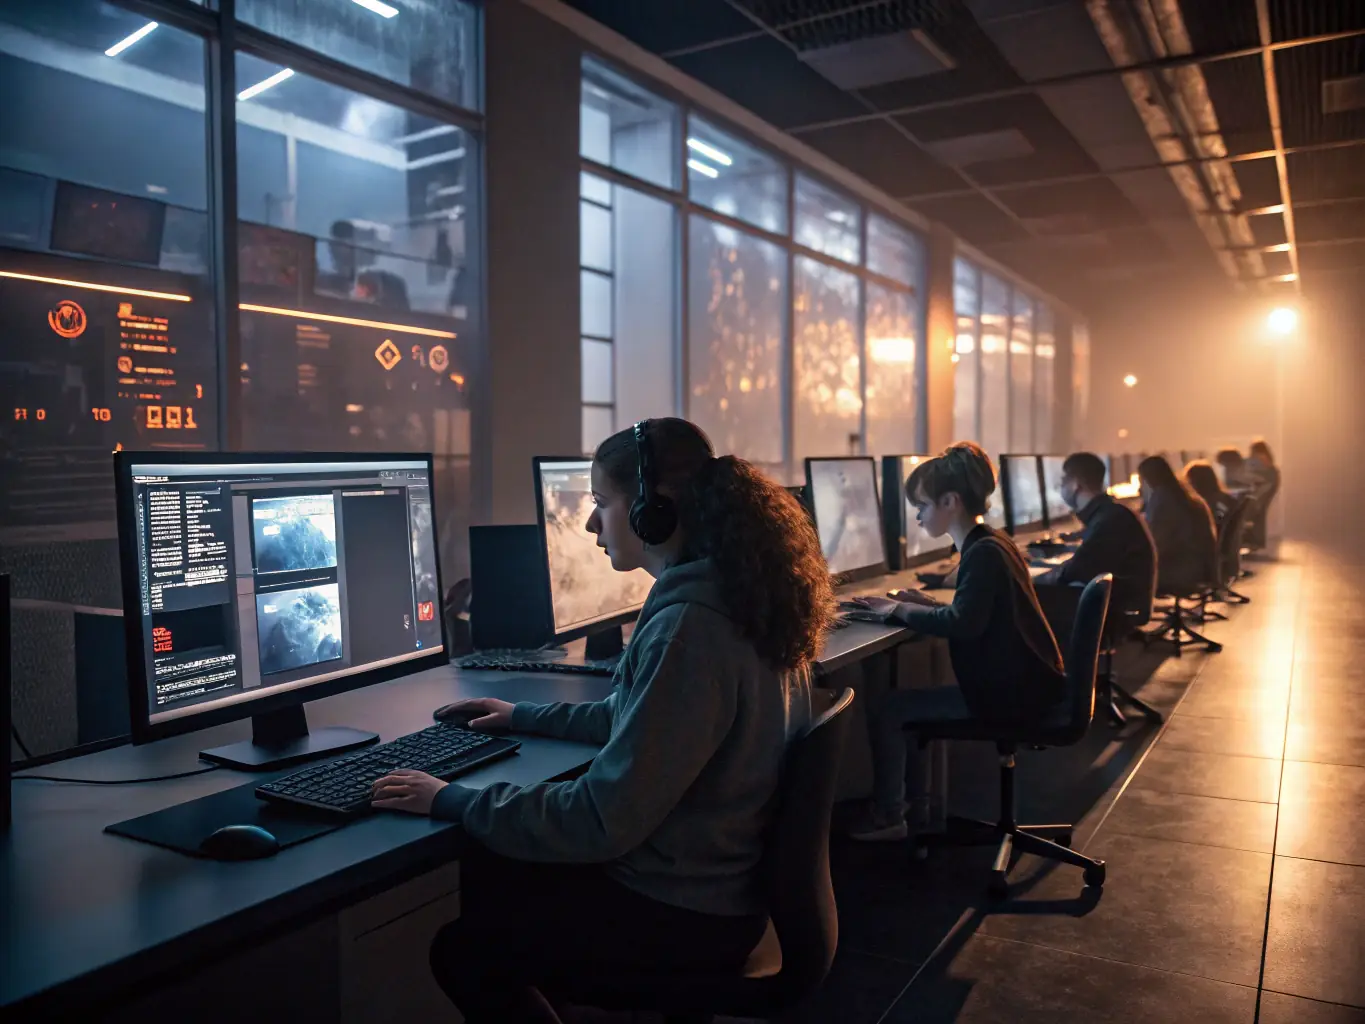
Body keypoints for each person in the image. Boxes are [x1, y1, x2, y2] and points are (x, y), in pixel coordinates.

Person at [369, 417, 834, 1024]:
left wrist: (449, 798)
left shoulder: (689, 628)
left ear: (652, 511)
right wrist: (522, 715)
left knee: (467, 947)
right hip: (725, 890)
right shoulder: (739, 596)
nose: (590, 524)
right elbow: (644, 720)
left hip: (685, 913)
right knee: (507, 872)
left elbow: (598, 820)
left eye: (601, 503)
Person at [846, 442, 1066, 841]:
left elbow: (963, 623)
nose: (917, 516)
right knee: (904, 704)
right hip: (1028, 688)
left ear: (951, 501)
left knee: (891, 710)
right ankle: (920, 811)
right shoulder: (994, 542)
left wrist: (894, 609)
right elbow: (976, 611)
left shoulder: (981, 553)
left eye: (924, 505)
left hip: (1008, 698)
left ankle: (890, 816)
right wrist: (924, 603)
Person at [1034, 452, 1157, 635]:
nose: (1061, 486)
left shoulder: (1109, 520)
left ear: (1075, 484)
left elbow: (1077, 570)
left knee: (1029, 597)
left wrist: (1032, 579)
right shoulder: (1111, 513)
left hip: (1118, 607)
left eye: (1063, 480)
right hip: (1124, 598)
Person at [1137, 454, 1218, 594]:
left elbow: (1155, 545)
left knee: (1122, 574)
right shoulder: (1181, 494)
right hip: (1199, 568)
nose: (1139, 488)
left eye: (1141, 481)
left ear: (1148, 480)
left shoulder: (1163, 499)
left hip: (1180, 572)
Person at [1183, 460, 1237, 526]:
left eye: (1189, 480)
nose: (1188, 484)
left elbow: (1219, 521)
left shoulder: (1214, 502)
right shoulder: (1226, 499)